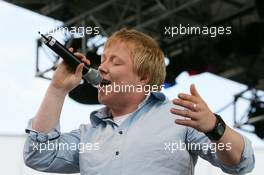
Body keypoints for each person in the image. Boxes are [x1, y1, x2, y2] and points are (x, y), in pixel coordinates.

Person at [24, 28, 254, 175]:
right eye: (103, 60)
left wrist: (216, 128)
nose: (101, 67)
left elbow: (241, 163)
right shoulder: (88, 136)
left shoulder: (178, 117)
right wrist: (56, 89)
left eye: (115, 62)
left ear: (143, 78)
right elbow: (40, 155)